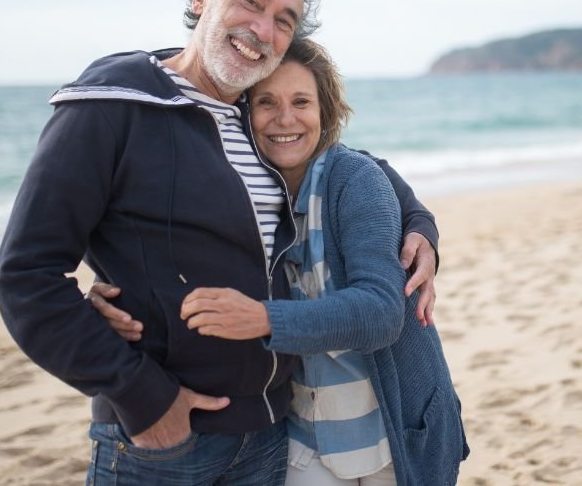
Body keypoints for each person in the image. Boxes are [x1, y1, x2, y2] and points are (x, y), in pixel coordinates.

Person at [0, 0, 440, 486]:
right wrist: (145, 401)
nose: (263, 29)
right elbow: (26, 276)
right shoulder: (112, 106)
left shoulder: (251, 118)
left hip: (275, 434)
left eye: (284, 19)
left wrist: (419, 224)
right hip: (165, 443)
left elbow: (349, 163)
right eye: (251, 1)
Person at [101, 39, 468, 485]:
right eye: (266, 102)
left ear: (325, 111)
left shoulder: (353, 180)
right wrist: (112, 295)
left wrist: (264, 318)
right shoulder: (245, 190)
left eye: (301, 102)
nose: (285, 119)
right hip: (304, 437)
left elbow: (381, 314)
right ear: (242, 113)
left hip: (390, 435)